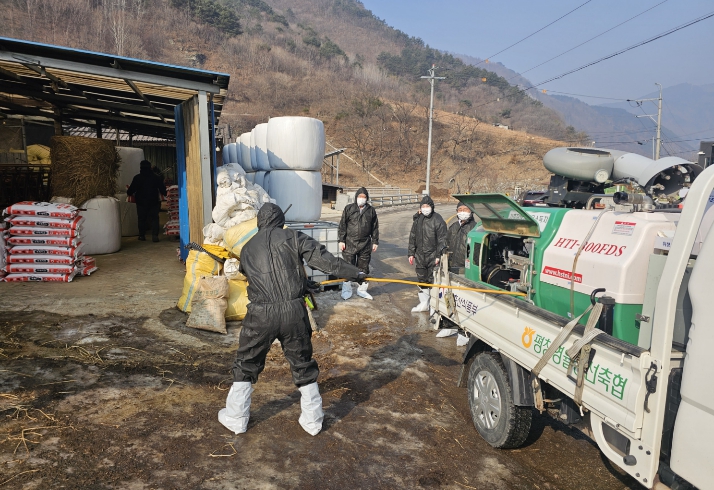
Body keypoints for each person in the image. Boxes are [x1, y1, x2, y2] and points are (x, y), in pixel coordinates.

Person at [218, 203, 366, 436]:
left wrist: (303, 284)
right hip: (293, 313)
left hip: (260, 314)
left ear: (259, 222)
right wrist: (355, 273)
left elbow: (260, 278)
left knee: (246, 362)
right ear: (280, 220)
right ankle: (313, 422)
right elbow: (325, 261)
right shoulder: (294, 237)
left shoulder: (247, 248)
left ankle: (236, 419)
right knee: (302, 363)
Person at [338, 187, 379, 300]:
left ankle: (362, 290)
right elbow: (342, 225)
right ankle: (346, 290)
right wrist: (341, 240)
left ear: (367, 198)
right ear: (356, 197)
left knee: (363, 268)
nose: (362, 198)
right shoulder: (349, 208)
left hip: (365, 244)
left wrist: (375, 241)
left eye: (364, 197)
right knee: (348, 267)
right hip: (349, 243)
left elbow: (375, 227)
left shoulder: (371, 211)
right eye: (360, 196)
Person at [408, 195, 447, 313]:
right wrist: (411, 253)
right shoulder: (418, 220)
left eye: (427, 206)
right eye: (423, 206)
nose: (425, 208)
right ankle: (424, 303)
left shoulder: (438, 219)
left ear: (432, 206)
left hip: (433, 255)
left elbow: (442, 239)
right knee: (421, 278)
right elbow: (412, 236)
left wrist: (438, 255)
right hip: (420, 254)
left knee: (433, 279)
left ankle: (433, 305)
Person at [127, 160, 167, 242]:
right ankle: (155, 236)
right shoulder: (156, 177)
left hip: (141, 202)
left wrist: (129, 192)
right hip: (154, 201)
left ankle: (142, 235)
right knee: (155, 218)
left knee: (142, 219)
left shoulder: (137, 178)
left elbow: (130, 191)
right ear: (150, 167)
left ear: (140, 168)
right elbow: (163, 190)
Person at [446, 202, 477, 273]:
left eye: (465, 209)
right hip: (452, 266)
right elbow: (446, 242)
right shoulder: (453, 226)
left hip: (466, 268)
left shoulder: (475, 228)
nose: (462, 212)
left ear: (471, 211)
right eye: (460, 209)